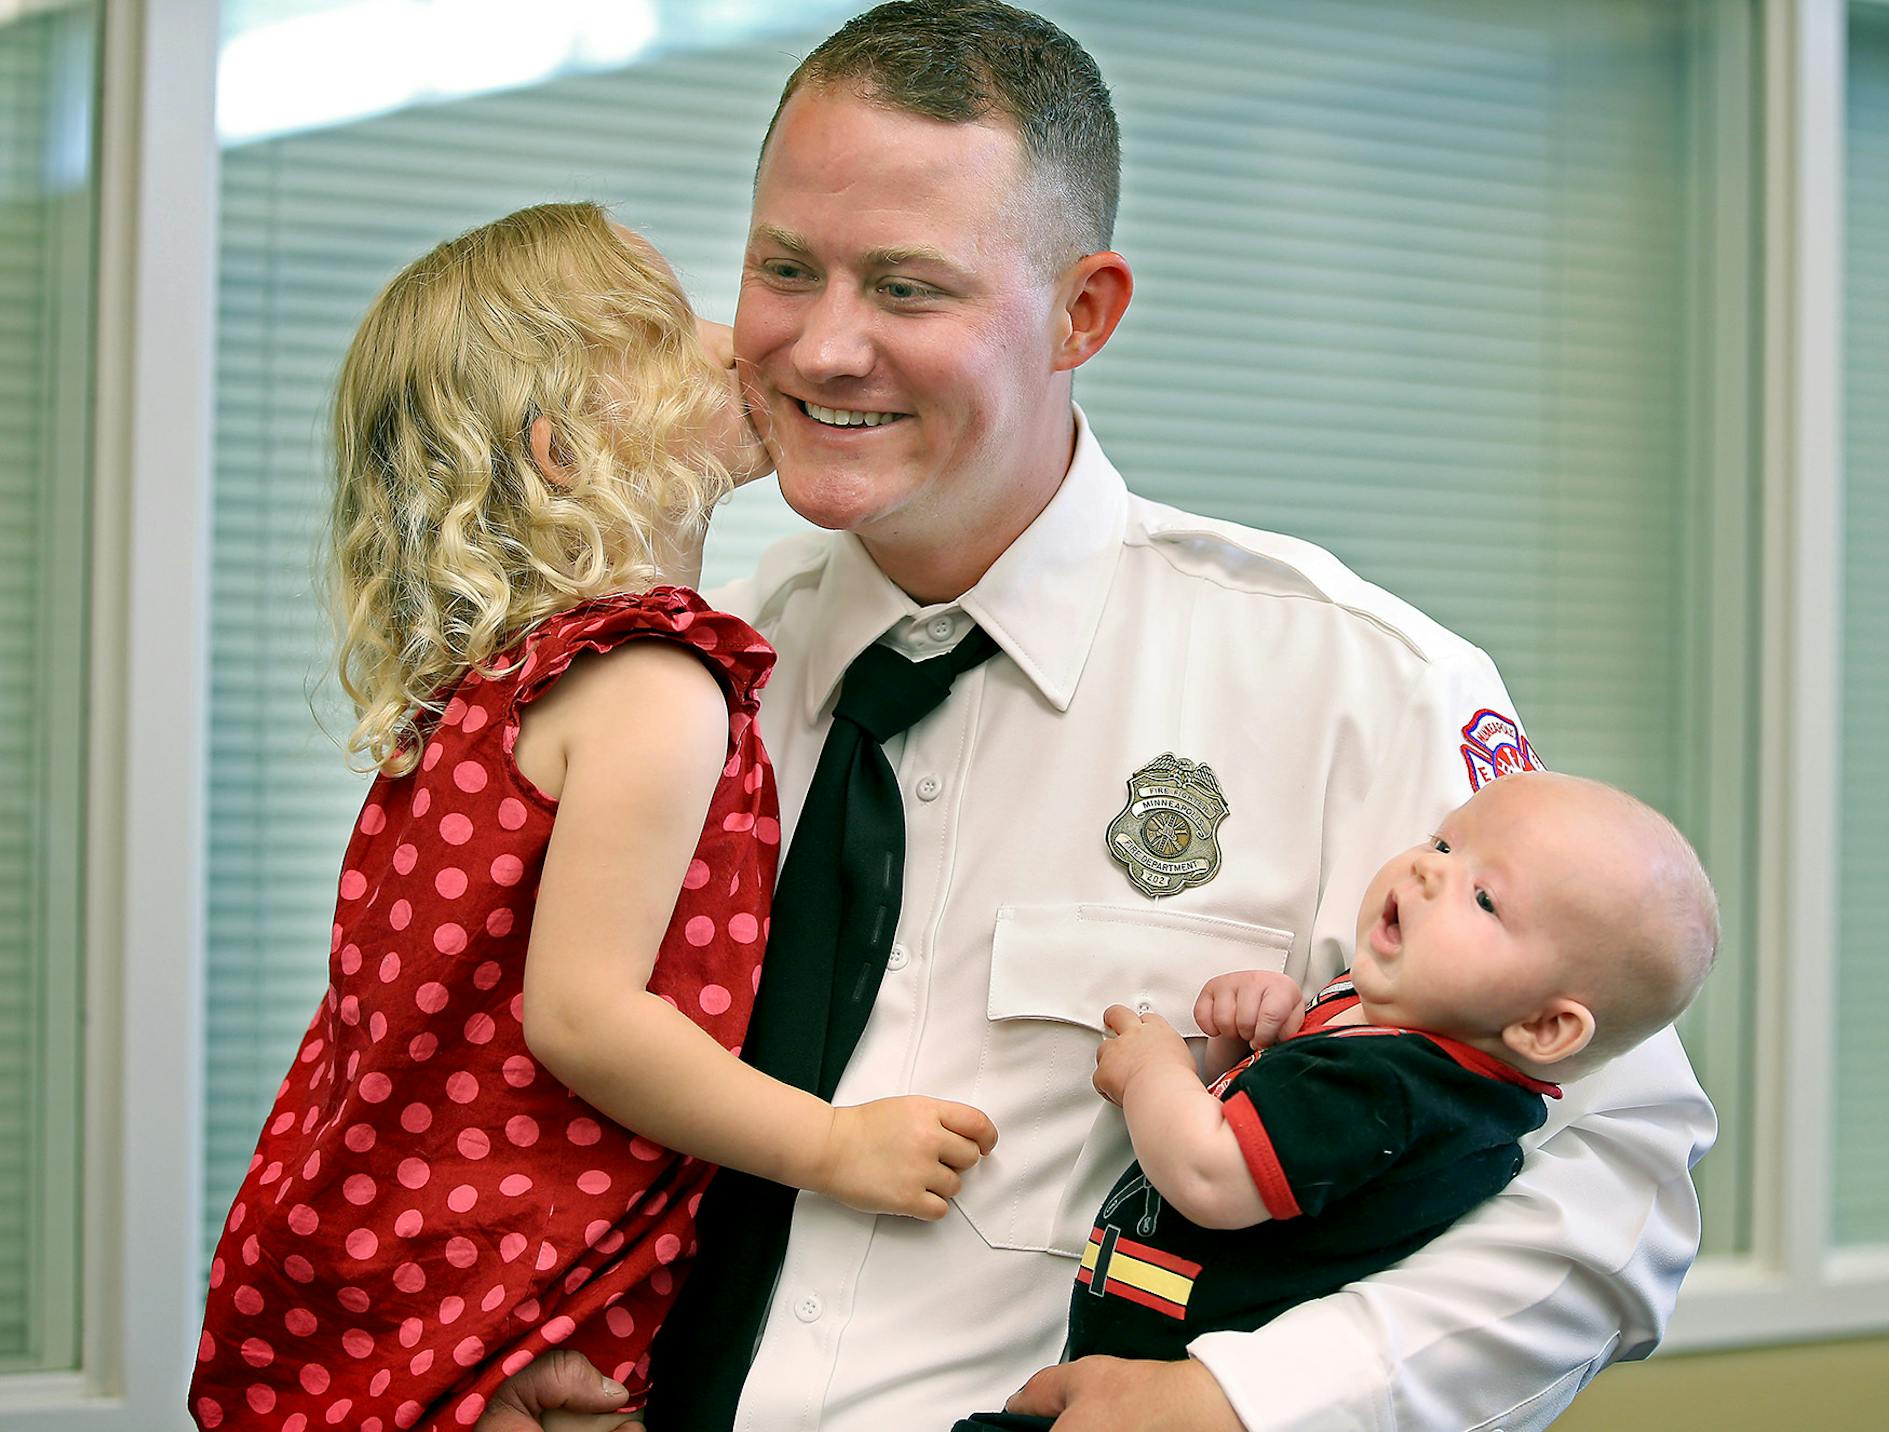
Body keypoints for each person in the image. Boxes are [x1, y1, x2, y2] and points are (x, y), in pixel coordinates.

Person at [484, 5, 1717, 1430]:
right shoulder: (668, 677)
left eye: (907, 287)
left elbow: (1616, 1188)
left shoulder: (1348, 685)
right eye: (784, 269)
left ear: (1083, 314)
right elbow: (512, 1069)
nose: (824, 348)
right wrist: (507, 1349)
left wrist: (1246, 1405)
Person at [189, 202, 996, 1432]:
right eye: (666, 331)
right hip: (475, 1296)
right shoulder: (649, 683)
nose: (734, 340)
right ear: (567, 453)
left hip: (390, 1267)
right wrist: (835, 1148)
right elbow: (582, 1014)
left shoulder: (510, 676)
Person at [951, 770, 1720, 1429]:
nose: (1426, 872)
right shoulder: (1393, 1037)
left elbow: (1212, 1176)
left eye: (1484, 898)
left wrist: (1155, 1069)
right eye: (1442, 844)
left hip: (1175, 1393)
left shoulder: (1401, 1089)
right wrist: (1248, 1045)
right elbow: (1270, 1134)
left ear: (1546, 1026)